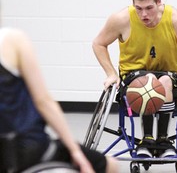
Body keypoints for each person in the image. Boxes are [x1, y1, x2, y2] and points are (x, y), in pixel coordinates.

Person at [92, 0, 177, 158]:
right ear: (133, 5)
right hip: (133, 76)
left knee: (165, 80)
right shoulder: (121, 19)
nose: (143, 14)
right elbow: (99, 43)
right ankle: (147, 138)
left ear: (159, 1)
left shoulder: (176, 20)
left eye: (149, 8)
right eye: (138, 8)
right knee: (148, 80)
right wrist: (111, 73)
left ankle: (162, 139)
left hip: (169, 76)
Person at [0, 27, 119, 173]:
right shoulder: (12, 40)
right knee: (111, 165)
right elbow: (43, 102)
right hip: (24, 148)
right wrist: (74, 150)